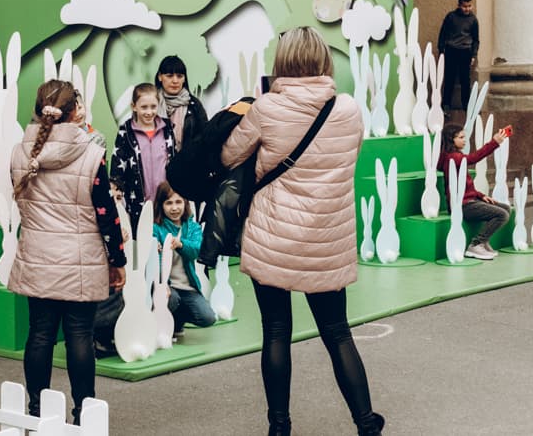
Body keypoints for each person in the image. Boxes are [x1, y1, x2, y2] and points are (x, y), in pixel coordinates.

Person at [221, 26, 383, 436]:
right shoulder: (348, 109)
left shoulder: (266, 108)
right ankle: (366, 423)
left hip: (273, 236)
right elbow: (350, 157)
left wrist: (238, 115)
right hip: (326, 238)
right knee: (338, 333)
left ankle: (279, 427)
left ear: (283, 60)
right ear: (324, 60)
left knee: (276, 332)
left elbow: (228, 156)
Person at [8, 80, 127, 422]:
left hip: (38, 257)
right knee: (79, 335)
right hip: (81, 260)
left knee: (40, 333)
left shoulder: (19, 153)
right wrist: (117, 261)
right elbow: (106, 213)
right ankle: (83, 413)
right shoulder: (91, 154)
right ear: (74, 112)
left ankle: (36, 412)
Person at [151, 181, 216, 336]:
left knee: (208, 318)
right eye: (169, 203)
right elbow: (153, 260)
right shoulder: (156, 228)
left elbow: (197, 250)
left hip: (187, 288)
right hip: (167, 286)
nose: (174, 208)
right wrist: (161, 283)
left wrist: (181, 244)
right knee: (171, 299)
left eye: (178, 202)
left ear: (185, 203)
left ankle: (177, 320)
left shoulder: (193, 227)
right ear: (161, 205)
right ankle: (160, 324)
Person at [438, 123, 511, 259]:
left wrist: (481, 195)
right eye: (460, 137)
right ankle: (476, 244)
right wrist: (494, 142)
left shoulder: (455, 156)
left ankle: (484, 241)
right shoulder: (454, 157)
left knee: (505, 208)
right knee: (502, 215)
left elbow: (465, 185)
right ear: (451, 140)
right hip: (463, 205)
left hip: (469, 200)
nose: (464, 140)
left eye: (464, 137)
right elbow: (474, 158)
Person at [111, 82, 177, 231]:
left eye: (153, 107)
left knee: (166, 241)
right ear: (134, 106)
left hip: (165, 204)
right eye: (144, 107)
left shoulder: (167, 130)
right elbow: (117, 169)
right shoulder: (126, 132)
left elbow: (174, 161)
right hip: (137, 205)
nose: (149, 112)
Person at [155, 55, 208, 152]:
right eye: (169, 76)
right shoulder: (151, 103)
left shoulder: (194, 105)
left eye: (179, 76)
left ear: (184, 79)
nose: (175, 81)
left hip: (187, 160)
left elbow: (204, 137)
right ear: (160, 77)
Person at [437, 0, 479, 112]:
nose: (467, 9)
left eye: (469, 6)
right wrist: (441, 50)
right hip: (451, 51)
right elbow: (443, 34)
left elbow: (476, 39)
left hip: (465, 52)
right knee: (449, 79)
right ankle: (446, 106)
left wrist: (473, 55)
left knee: (465, 81)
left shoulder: (473, 20)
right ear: (459, 5)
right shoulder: (451, 17)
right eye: (465, 6)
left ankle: (467, 106)